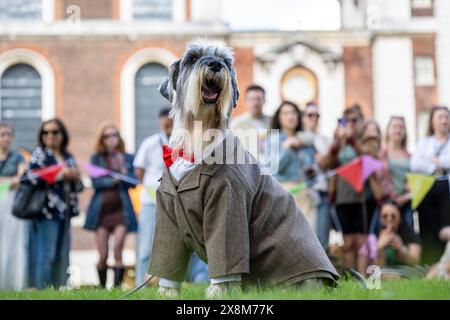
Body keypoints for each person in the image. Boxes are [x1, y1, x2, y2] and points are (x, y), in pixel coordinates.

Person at [319, 106, 383, 273]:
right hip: (342, 197)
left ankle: (364, 277)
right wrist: (336, 144)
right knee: (347, 242)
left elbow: (369, 158)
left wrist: (353, 141)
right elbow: (326, 164)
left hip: (364, 197)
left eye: (355, 120)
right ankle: (351, 278)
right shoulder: (338, 142)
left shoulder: (368, 139)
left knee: (362, 242)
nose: (351, 124)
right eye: (347, 121)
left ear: (362, 122)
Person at [27, 119, 84, 289]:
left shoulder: (68, 156)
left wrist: (75, 176)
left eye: (54, 131)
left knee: (63, 255)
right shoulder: (40, 154)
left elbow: (78, 187)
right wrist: (61, 174)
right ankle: (43, 291)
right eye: (46, 132)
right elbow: (31, 178)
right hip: (46, 212)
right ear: (42, 136)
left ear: (62, 135)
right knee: (47, 255)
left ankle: (59, 290)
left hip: (65, 212)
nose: (50, 135)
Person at [84, 123, 137, 288]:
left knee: (118, 250)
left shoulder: (128, 157)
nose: (111, 139)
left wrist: (123, 169)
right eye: (107, 136)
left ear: (119, 137)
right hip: (102, 211)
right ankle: (101, 288)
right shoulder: (96, 158)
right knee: (103, 254)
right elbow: (96, 182)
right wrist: (113, 179)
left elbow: (133, 183)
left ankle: (116, 290)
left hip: (122, 210)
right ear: (102, 139)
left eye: (114, 135)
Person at [269, 101, 318, 228]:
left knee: (310, 241)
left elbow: (314, 168)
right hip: (286, 193)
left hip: (306, 194)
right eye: (286, 113)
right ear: (279, 118)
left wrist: (312, 170)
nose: (291, 116)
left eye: (293, 112)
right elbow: (271, 169)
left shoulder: (305, 140)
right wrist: (287, 147)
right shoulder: (275, 139)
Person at [411, 106, 450, 264]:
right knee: (427, 229)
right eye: (440, 117)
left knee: (446, 229)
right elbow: (415, 164)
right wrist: (434, 166)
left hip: (447, 191)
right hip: (426, 190)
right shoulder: (424, 142)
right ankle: (429, 267)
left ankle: (445, 266)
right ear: (432, 122)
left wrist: (438, 161)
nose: (444, 120)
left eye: (446, 117)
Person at [0, 122, 27, 290]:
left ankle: (12, 283)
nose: (6, 138)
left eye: (9, 135)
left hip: (11, 203)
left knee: (12, 242)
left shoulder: (18, 157)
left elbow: (20, 180)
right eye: (2, 134)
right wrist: (10, 181)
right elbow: (14, 180)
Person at [301, 102, 332, 249]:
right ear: (303, 117)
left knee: (323, 236)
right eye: (310, 115)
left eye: (317, 115)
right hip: (306, 191)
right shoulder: (298, 138)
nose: (314, 118)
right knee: (308, 236)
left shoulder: (325, 140)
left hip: (324, 191)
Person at [380, 116, 413, 228]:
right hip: (387, 202)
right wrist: (393, 196)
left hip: (406, 202)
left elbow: (412, 179)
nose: (398, 130)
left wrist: (406, 196)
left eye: (401, 127)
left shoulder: (409, 156)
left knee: (407, 235)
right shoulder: (381, 154)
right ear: (388, 130)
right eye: (395, 126)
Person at [231, 85, 271, 164]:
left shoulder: (272, 121)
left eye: (258, 99)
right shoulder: (236, 124)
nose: (255, 103)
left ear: (264, 101)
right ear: (246, 101)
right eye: (251, 99)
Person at [376, 202, 421, 267]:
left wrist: (401, 248)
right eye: (385, 216)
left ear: (400, 218)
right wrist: (379, 248)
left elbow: (416, 261)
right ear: (380, 219)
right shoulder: (373, 236)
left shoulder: (410, 234)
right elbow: (374, 269)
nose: (389, 219)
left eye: (393, 216)